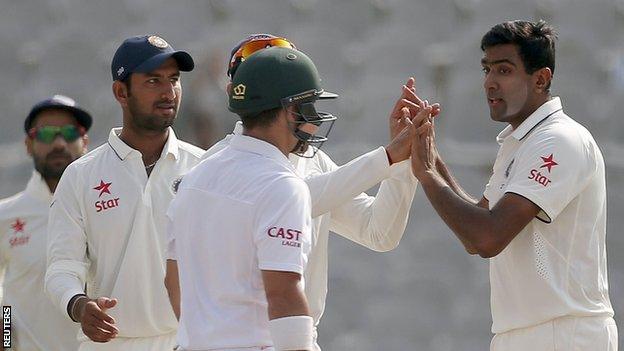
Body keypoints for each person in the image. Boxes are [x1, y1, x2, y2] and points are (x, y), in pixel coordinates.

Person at [195, 34, 435, 348]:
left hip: (300, 337)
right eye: (299, 103)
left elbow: (379, 232)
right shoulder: (218, 163)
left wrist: (403, 166)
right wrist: (386, 157)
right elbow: (290, 199)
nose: (313, 116)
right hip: (236, 338)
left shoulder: (313, 161)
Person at [406, 20, 618, 350]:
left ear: (541, 79)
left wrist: (427, 176)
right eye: (486, 69)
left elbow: (489, 237)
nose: (490, 83)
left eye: (504, 71)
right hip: (524, 333)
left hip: (564, 333)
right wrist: (432, 161)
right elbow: (476, 232)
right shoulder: (522, 141)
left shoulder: (558, 139)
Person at [167, 46, 340, 351]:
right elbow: (284, 295)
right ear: (289, 110)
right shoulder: (282, 185)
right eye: (308, 107)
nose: (313, 121)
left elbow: (173, 283)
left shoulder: (192, 180)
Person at [45, 35, 204, 351]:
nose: (168, 91)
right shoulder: (80, 176)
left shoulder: (205, 167)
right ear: (121, 92)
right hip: (107, 344)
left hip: (188, 342)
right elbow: (61, 267)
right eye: (153, 81)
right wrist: (78, 304)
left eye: (174, 79)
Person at [0, 95, 90, 350]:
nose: (59, 143)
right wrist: (6, 341)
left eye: (71, 132)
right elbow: (2, 303)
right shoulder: (6, 215)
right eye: (46, 134)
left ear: (85, 141)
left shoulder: (106, 208)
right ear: (28, 144)